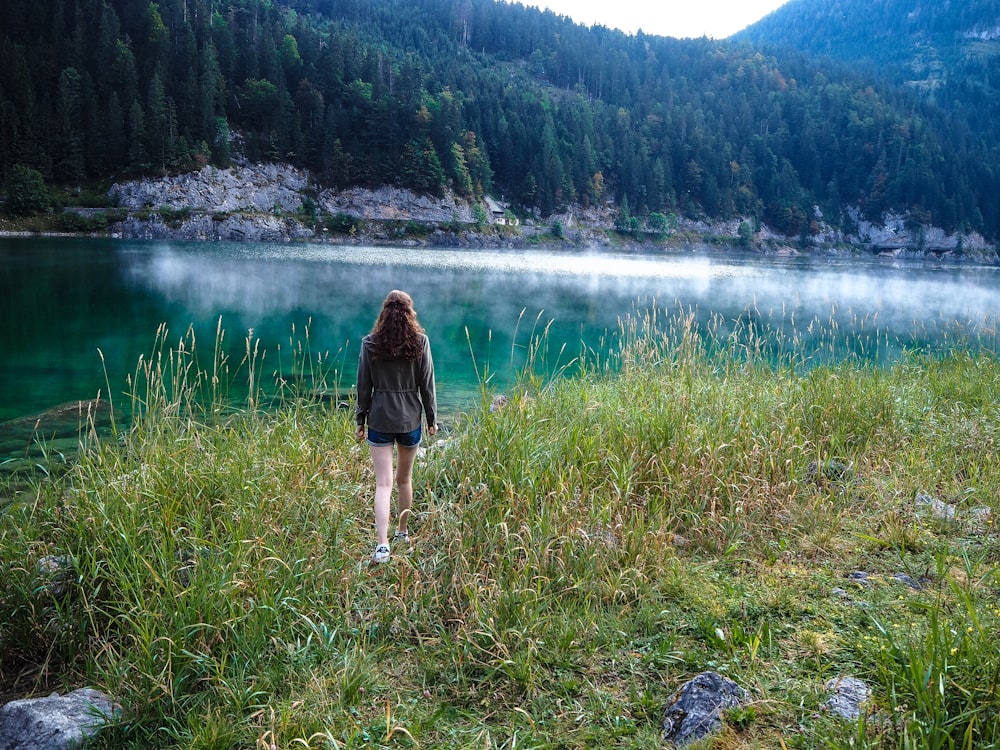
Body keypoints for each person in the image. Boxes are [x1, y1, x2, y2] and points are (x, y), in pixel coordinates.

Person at [355, 290, 438, 563]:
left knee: (383, 484)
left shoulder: (370, 343)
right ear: (409, 312)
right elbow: (427, 386)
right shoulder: (421, 343)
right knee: (404, 480)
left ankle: (382, 545)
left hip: (379, 419)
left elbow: (363, 386)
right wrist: (431, 419)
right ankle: (402, 532)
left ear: (384, 312)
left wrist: (360, 420)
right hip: (409, 420)